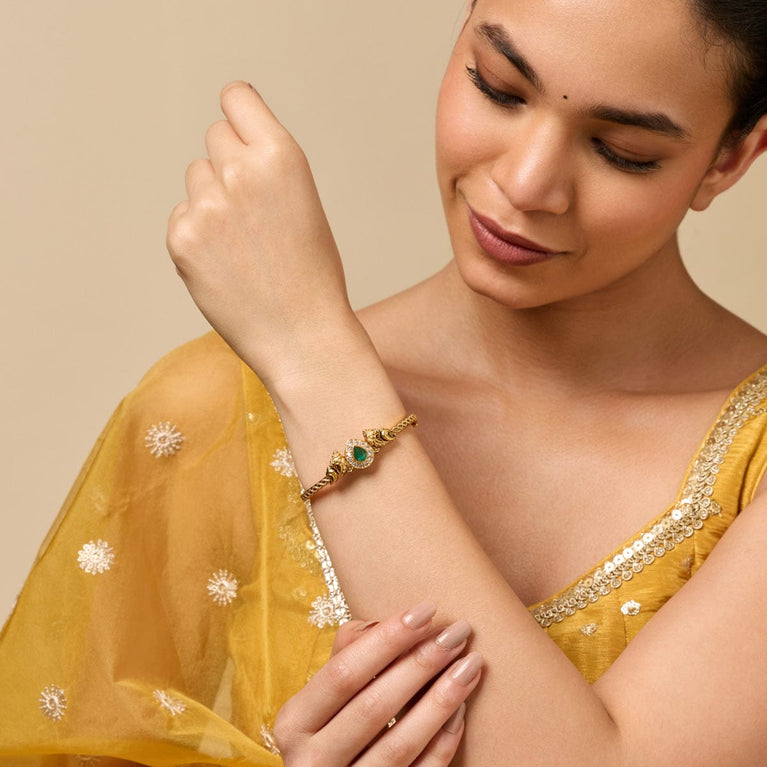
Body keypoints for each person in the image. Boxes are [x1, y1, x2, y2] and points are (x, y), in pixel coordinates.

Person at [2, 0, 767, 764]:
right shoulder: (213, 413)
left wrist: (315, 360)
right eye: (498, 88)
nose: (527, 183)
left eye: (622, 150)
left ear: (729, 159)